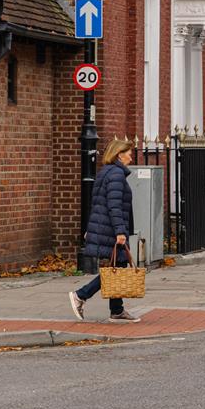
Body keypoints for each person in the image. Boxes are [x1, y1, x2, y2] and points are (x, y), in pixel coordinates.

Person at [70, 138, 138, 322]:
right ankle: (81, 295)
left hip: (104, 226)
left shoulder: (105, 172)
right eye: (129, 155)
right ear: (119, 155)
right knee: (116, 268)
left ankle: (117, 310)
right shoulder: (116, 174)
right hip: (112, 229)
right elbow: (114, 206)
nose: (131, 159)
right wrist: (120, 232)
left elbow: (97, 203)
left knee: (119, 265)